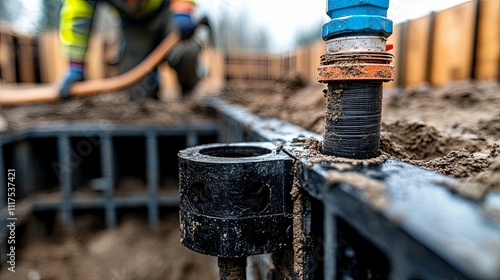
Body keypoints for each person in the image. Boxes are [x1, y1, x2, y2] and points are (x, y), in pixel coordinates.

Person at [59, 0, 208, 100]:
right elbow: (77, 15)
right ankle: (150, 93)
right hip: (134, 25)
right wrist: (75, 66)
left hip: (167, 12)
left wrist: (182, 8)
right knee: (136, 96)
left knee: (186, 51)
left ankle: (189, 93)